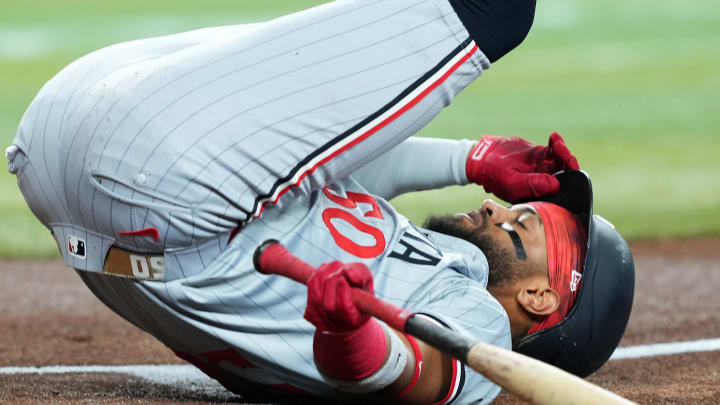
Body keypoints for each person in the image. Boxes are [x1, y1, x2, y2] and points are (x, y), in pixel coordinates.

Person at [6, 0, 634, 403]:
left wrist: (347, 330)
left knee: (493, 12)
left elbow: (406, 373)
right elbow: (320, 164)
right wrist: (471, 156)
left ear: (540, 297)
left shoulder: (480, 320)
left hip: (168, 182)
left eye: (523, 224)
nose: (498, 209)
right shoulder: (418, 266)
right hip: (69, 179)